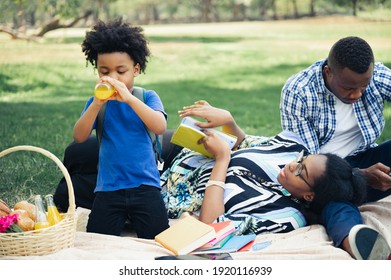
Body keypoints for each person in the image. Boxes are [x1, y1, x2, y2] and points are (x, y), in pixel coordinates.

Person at [161, 100, 367, 237]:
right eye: (303, 160)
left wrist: (223, 158)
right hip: (181, 151)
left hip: (164, 189)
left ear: (310, 196)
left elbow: (212, 224)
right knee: (138, 132)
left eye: (300, 171)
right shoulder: (293, 150)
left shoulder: (286, 216)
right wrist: (229, 121)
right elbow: (245, 143)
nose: (293, 164)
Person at [280, 36, 391, 259]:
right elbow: (309, 165)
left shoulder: (376, 75)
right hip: (321, 175)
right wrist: (359, 176)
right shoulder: (299, 91)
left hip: (365, 158)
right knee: (334, 203)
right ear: (329, 72)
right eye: (349, 87)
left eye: (364, 86)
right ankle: (356, 241)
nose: (358, 94)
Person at [73, 18, 169, 238]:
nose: (113, 78)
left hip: (145, 186)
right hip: (109, 189)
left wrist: (128, 99)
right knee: (96, 242)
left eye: (121, 71)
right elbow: (79, 137)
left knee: (159, 240)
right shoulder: (97, 103)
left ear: (135, 70)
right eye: (105, 72)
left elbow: (160, 126)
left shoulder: (146, 97)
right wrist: (97, 104)